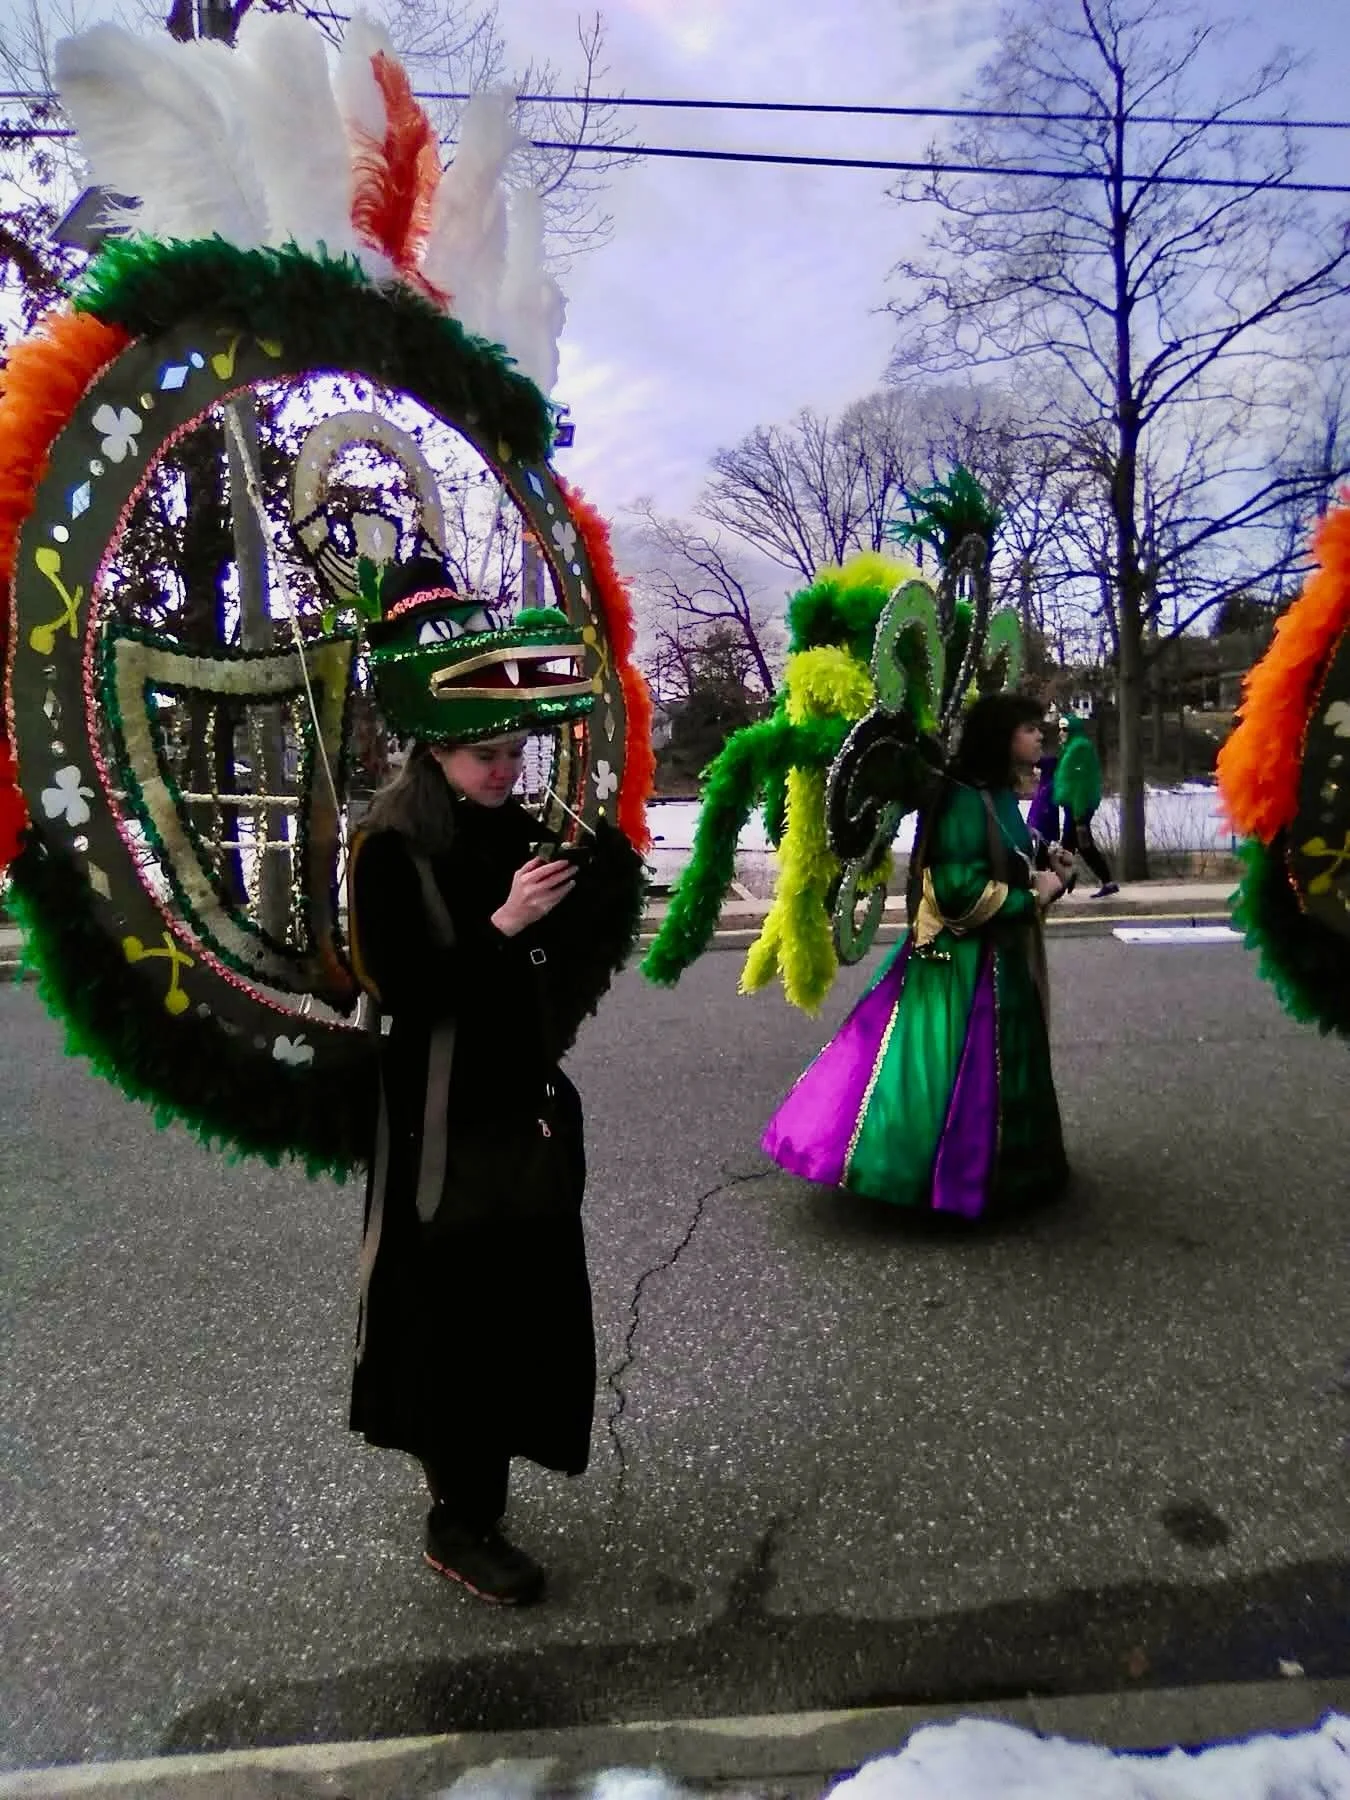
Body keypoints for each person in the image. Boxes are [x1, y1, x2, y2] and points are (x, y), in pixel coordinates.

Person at [344, 561, 645, 1608]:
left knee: (521, 1315)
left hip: (520, 1115)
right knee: (456, 1324)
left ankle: (478, 1485)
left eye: (516, 752)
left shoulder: (518, 831)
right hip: (439, 1124)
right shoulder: (389, 851)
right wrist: (506, 923)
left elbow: (553, 980)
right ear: (433, 748)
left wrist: (601, 887)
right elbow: (412, 988)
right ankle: (458, 1518)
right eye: (486, 755)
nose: (506, 772)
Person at [761, 693, 1071, 1219]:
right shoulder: (962, 798)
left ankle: (1011, 1171)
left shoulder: (993, 792)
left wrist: (1043, 858)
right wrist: (1033, 894)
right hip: (961, 969)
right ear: (1001, 736)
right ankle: (939, 1177)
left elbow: (1001, 849)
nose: (1039, 735)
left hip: (1000, 964)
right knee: (949, 1072)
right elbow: (954, 890)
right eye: (1027, 728)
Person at [1053, 715, 1119, 899]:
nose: (1061, 732)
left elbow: (1081, 783)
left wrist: (1079, 814)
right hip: (1072, 805)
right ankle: (1067, 879)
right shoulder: (1071, 748)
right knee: (1069, 845)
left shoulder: (1080, 748)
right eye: (1060, 728)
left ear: (1073, 730)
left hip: (1078, 806)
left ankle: (1102, 881)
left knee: (1083, 845)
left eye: (1065, 729)